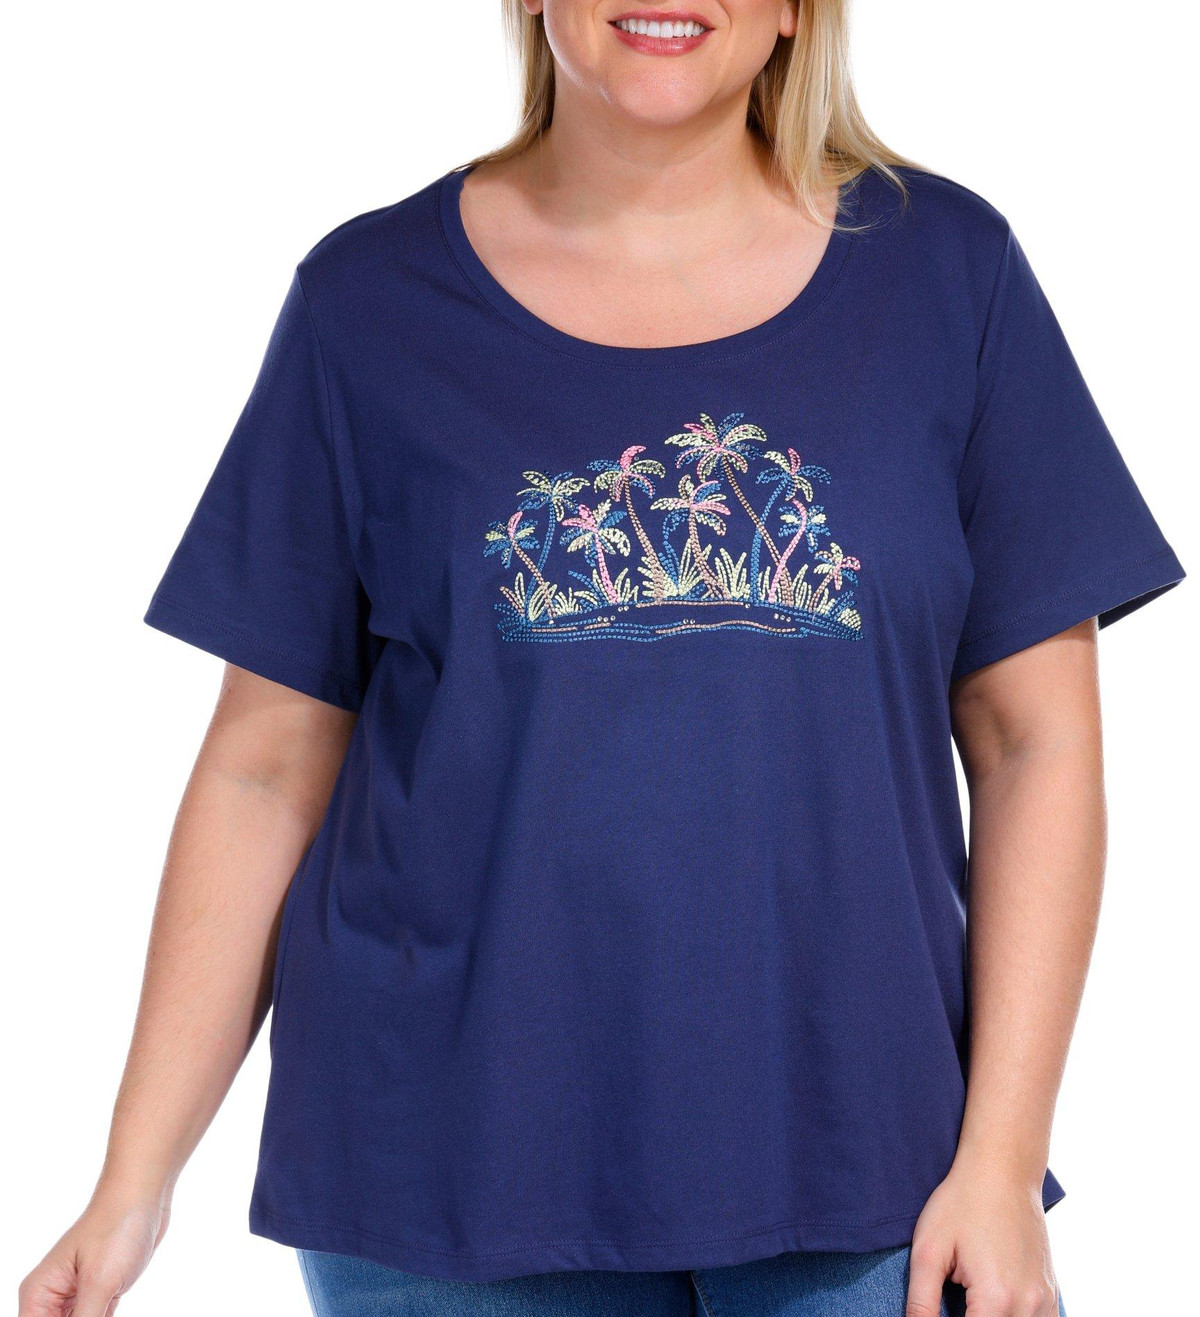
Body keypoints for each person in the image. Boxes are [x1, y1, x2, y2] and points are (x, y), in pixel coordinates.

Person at [20, 2, 1185, 1315]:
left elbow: (1036, 742)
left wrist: (1003, 1162)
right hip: (445, 1177)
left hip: (876, 1160)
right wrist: (133, 1185)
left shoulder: (948, 277)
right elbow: (264, 769)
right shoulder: (365, 306)